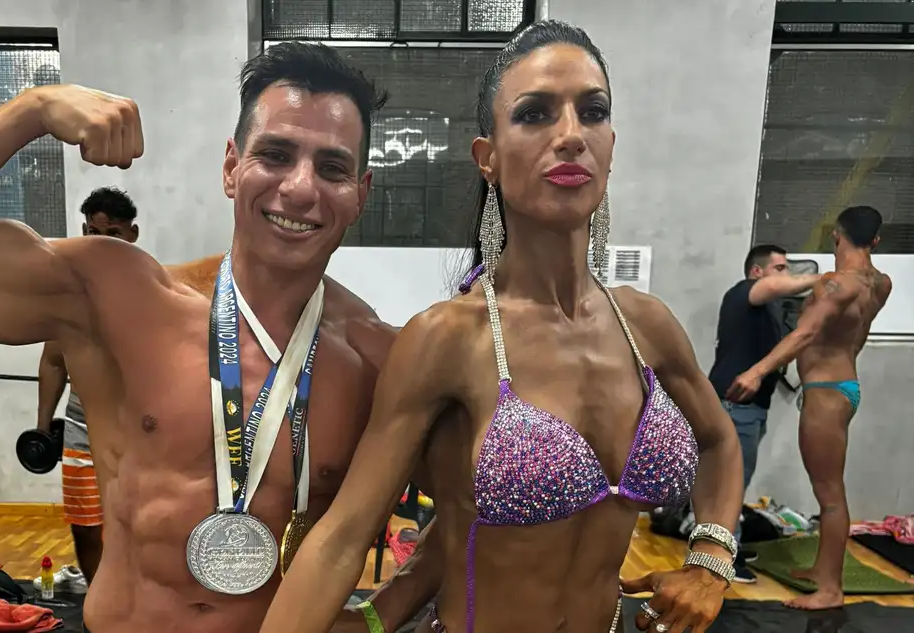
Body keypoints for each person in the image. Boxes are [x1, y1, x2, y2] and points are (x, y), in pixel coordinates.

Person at [0, 44, 441, 633]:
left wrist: (378, 614)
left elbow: (476, 508)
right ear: (232, 168)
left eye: (332, 167)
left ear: (361, 193)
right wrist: (31, 110)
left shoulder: (379, 358)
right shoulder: (119, 298)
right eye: (275, 155)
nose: (301, 187)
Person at [258, 21, 745, 633]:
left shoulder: (646, 325)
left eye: (592, 112)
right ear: (487, 158)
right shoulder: (449, 339)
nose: (570, 136)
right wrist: (371, 620)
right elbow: (344, 536)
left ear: (611, 145)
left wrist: (711, 558)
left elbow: (719, 441)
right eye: (535, 114)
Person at [728, 206, 891, 610]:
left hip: (825, 391)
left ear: (836, 235)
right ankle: (821, 570)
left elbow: (805, 334)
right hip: (844, 385)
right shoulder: (880, 283)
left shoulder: (835, 285)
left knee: (830, 495)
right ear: (875, 240)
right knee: (828, 491)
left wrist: (757, 371)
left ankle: (830, 589)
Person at [34, 186, 139, 594]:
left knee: (134, 522)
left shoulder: (148, 290)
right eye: (95, 232)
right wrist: (42, 426)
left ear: (132, 234)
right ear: (83, 231)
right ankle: (100, 598)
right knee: (85, 525)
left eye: (113, 232)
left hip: (134, 431)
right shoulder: (69, 295)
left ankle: (135, 601)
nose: (103, 241)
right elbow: (53, 361)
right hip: (80, 427)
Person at [708, 244, 820, 583]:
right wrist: (828, 278)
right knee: (730, 485)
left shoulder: (764, 311)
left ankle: (728, 546)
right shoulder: (745, 291)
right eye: (780, 268)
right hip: (736, 407)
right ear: (757, 272)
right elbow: (774, 286)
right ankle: (721, 560)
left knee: (733, 482)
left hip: (747, 408)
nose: (787, 276)